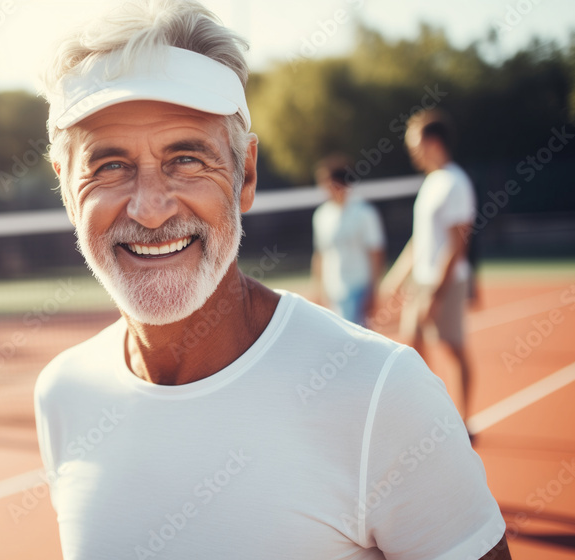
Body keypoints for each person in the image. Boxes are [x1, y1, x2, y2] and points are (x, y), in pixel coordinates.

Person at [34, 1, 509, 558]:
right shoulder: (62, 396)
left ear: (246, 174)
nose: (151, 208)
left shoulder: (383, 393)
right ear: (66, 187)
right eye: (109, 165)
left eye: (186, 158)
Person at [380, 110, 477, 426]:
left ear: (433, 142)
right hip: (421, 281)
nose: (412, 151)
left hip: (444, 282)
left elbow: (457, 245)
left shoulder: (455, 183)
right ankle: (431, 414)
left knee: (453, 348)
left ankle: (464, 421)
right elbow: (420, 240)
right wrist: (397, 277)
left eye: (415, 143)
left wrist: (437, 293)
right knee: (413, 346)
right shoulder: (431, 183)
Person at [311, 155, 386, 326]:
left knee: (356, 342)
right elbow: (320, 254)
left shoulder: (364, 212)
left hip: (358, 286)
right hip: (333, 290)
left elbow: (376, 252)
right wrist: (318, 288)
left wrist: (372, 290)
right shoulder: (321, 215)